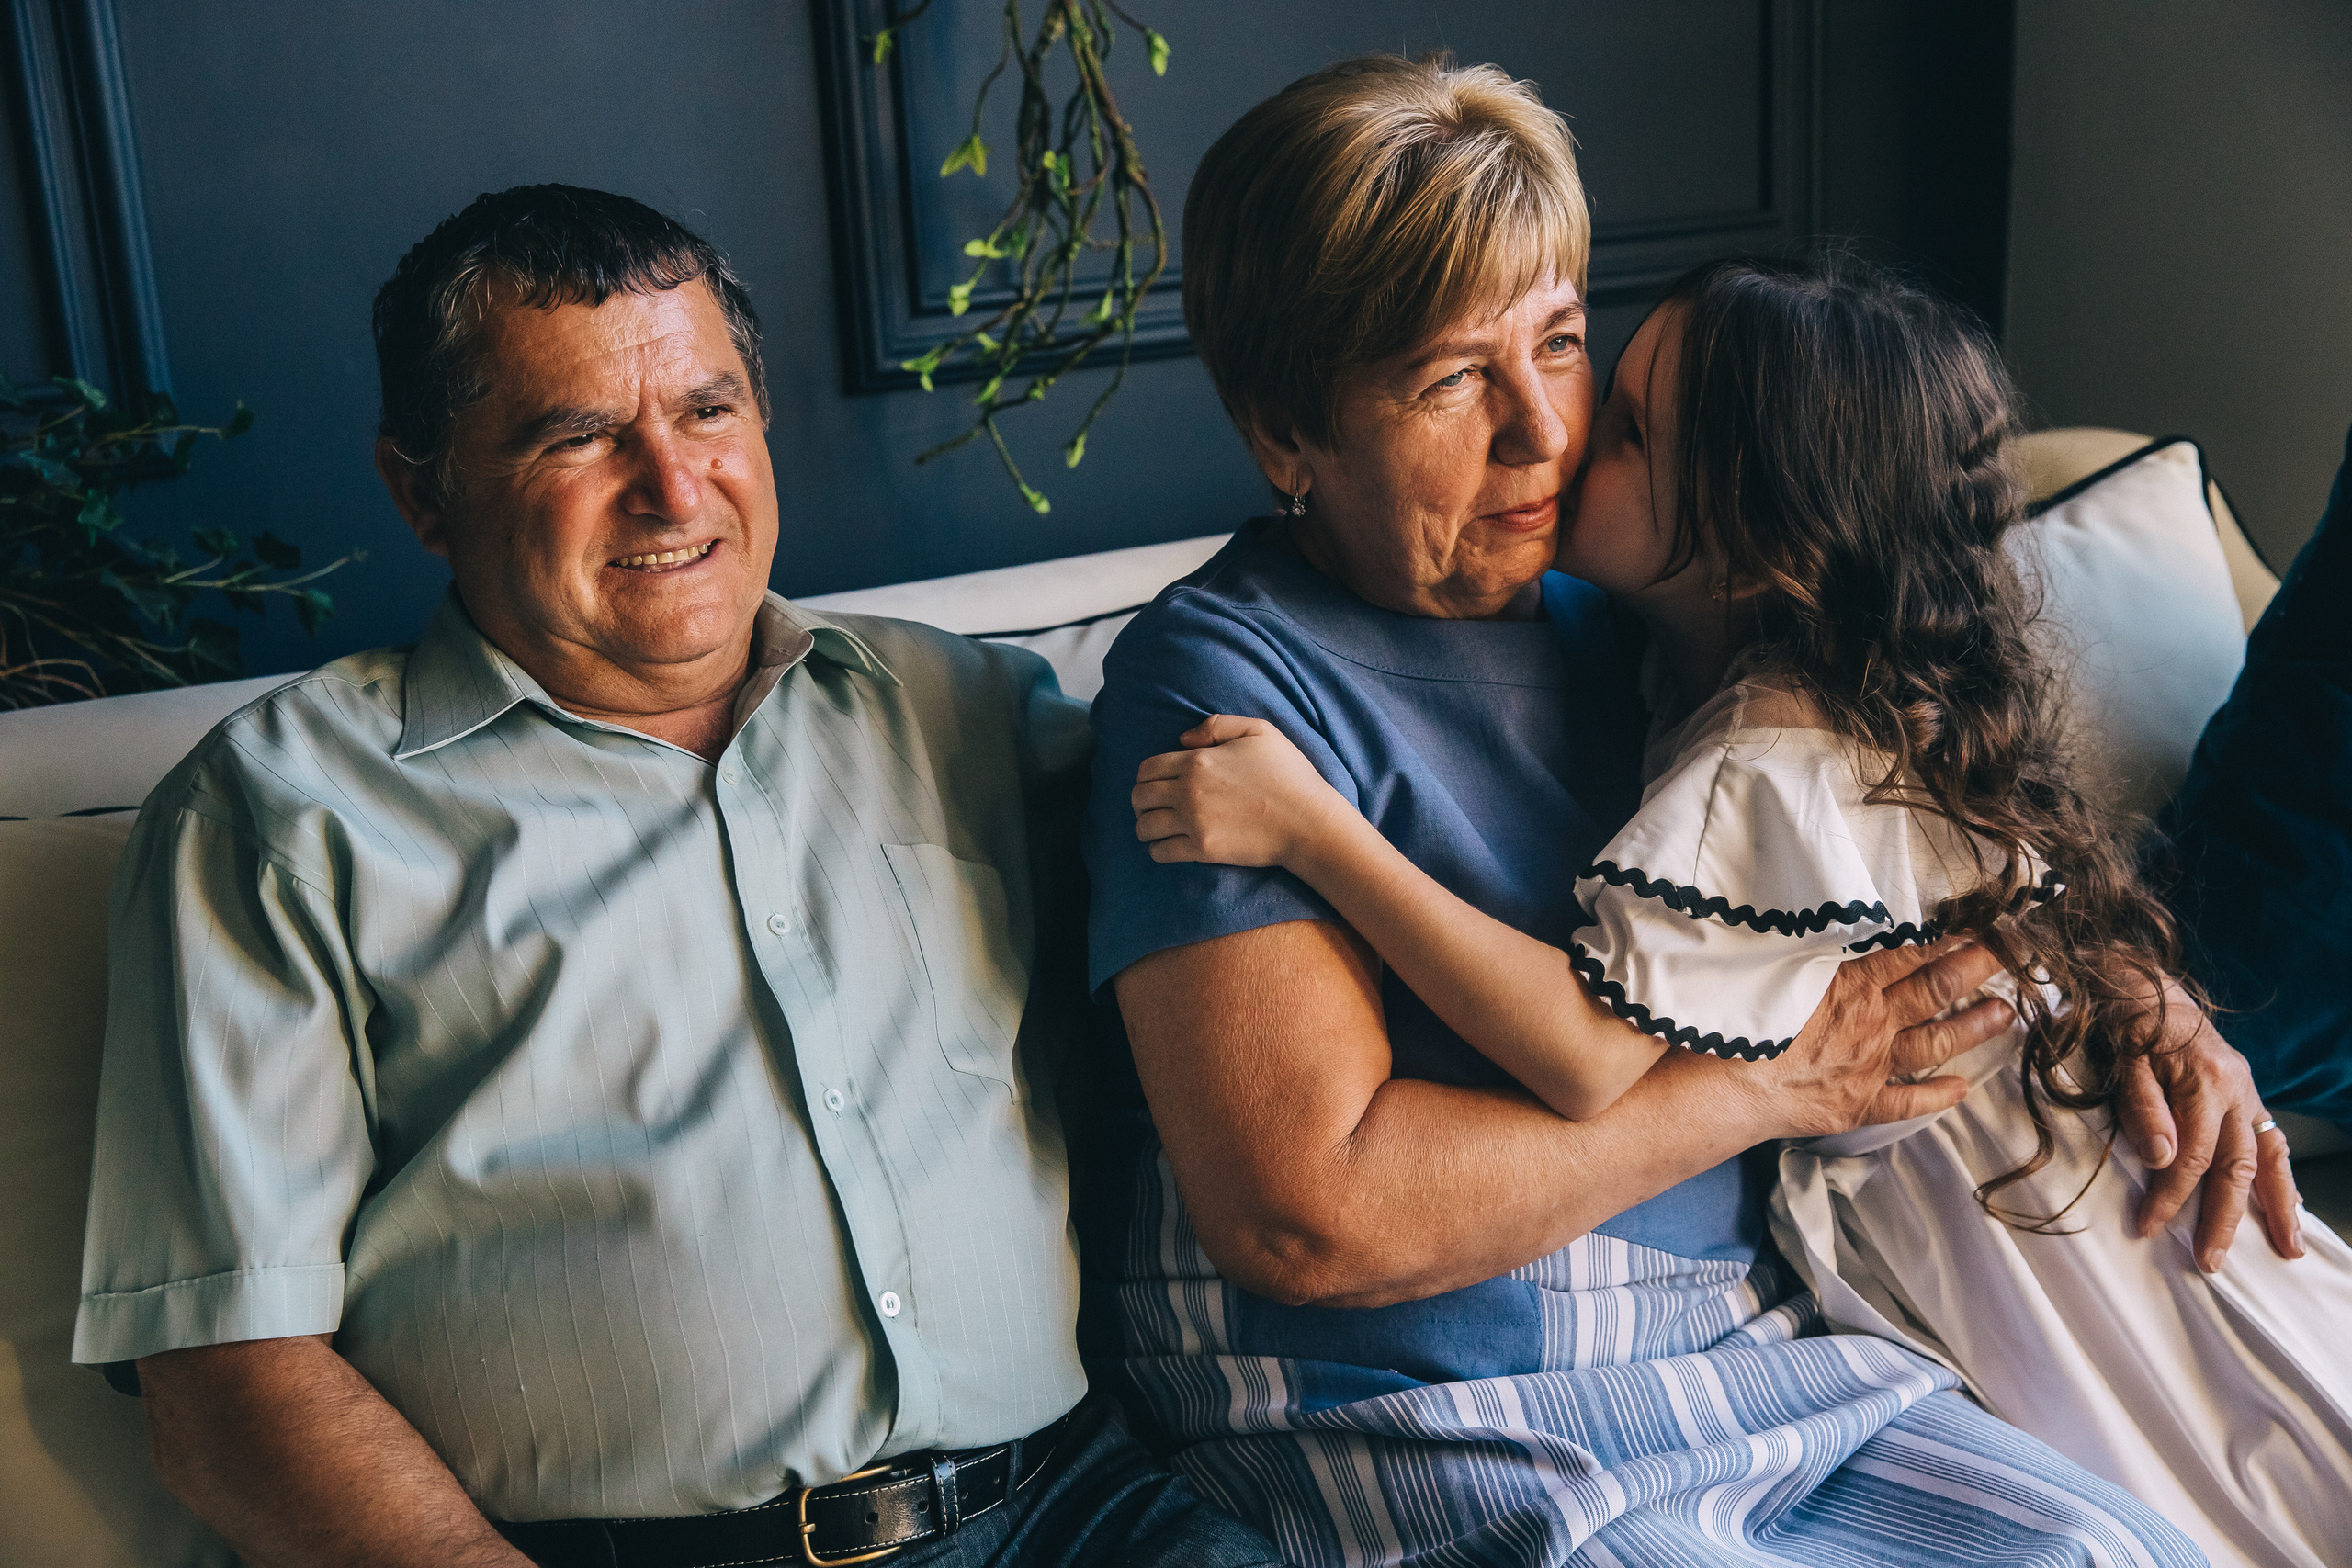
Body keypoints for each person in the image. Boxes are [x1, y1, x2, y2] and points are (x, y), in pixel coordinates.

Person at [1079, 56, 2298, 1566]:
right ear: (1284, 433)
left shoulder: (1640, 609)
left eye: (1565, 342)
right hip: (1427, 1405)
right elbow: (1311, 1216)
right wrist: (1777, 1085)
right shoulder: (1224, 689)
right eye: (1452, 378)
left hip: (1758, 1358)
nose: (1543, 432)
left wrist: (2149, 989)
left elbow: (1922, 775)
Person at [72, 185, 1278, 1568]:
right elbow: (223, 1386)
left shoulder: (967, 712)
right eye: (578, 434)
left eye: (707, 410)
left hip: (1074, 1516)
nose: (670, 482)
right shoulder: (282, 814)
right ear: (422, 488)